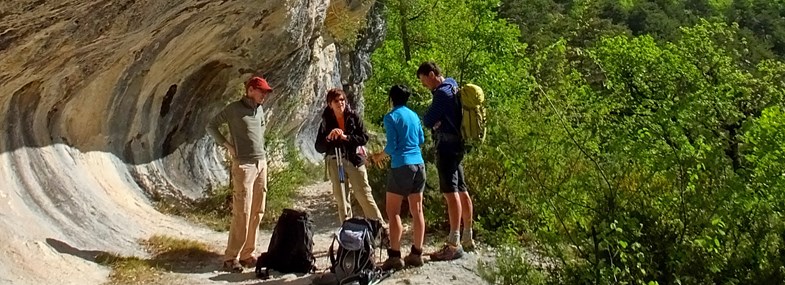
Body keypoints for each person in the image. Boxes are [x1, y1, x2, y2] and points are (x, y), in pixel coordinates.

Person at [206, 76, 272, 272]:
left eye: (266, 92)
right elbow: (211, 126)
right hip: (243, 165)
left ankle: (247, 254)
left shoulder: (259, 109)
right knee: (242, 211)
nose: (264, 95)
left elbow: (260, 131)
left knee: (257, 211)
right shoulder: (234, 109)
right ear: (251, 90)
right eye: (262, 91)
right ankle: (230, 257)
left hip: (261, 163)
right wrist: (227, 145)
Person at [417, 61, 475, 261]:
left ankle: (453, 242)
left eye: (424, 80)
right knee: (461, 189)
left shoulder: (441, 93)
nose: (425, 85)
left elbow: (427, 119)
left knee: (451, 194)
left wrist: (436, 121)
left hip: (447, 146)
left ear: (432, 74)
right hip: (458, 144)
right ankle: (468, 236)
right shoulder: (452, 83)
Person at [314, 88, 384, 223]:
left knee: (364, 194)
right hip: (335, 162)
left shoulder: (353, 116)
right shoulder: (325, 122)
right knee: (341, 199)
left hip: (354, 160)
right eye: (336, 100)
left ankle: (379, 227)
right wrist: (329, 137)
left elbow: (364, 138)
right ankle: (347, 231)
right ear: (330, 104)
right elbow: (319, 147)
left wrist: (345, 137)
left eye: (342, 100)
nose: (340, 103)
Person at [380, 85, 426, 270]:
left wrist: (378, 156)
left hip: (401, 165)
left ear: (391, 98)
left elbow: (391, 145)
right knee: (418, 210)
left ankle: (395, 255)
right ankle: (417, 253)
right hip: (419, 164)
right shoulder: (414, 115)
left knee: (394, 212)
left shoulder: (391, 117)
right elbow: (421, 139)